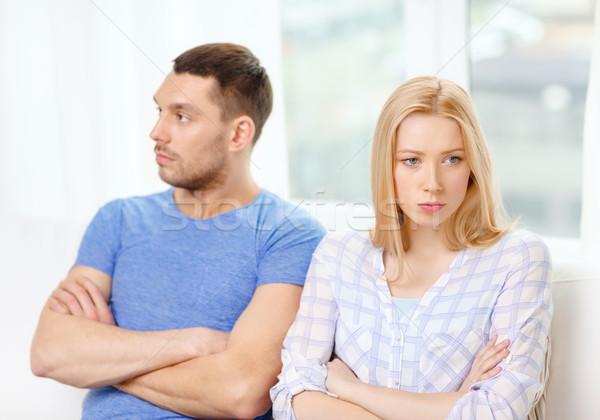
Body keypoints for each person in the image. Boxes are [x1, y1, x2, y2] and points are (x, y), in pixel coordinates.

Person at [30, 43, 326, 420]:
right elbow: (49, 352)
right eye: (159, 111)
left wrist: (106, 364)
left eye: (182, 116)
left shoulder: (290, 235)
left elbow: (240, 392)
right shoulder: (118, 219)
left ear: (238, 135)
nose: (157, 132)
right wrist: (192, 343)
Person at [270, 76, 552, 419]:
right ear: (386, 166)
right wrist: (454, 402)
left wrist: (351, 390)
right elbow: (292, 397)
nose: (432, 184)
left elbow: (495, 411)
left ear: (473, 167)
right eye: (412, 161)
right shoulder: (337, 254)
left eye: (452, 159)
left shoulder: (517, 258)